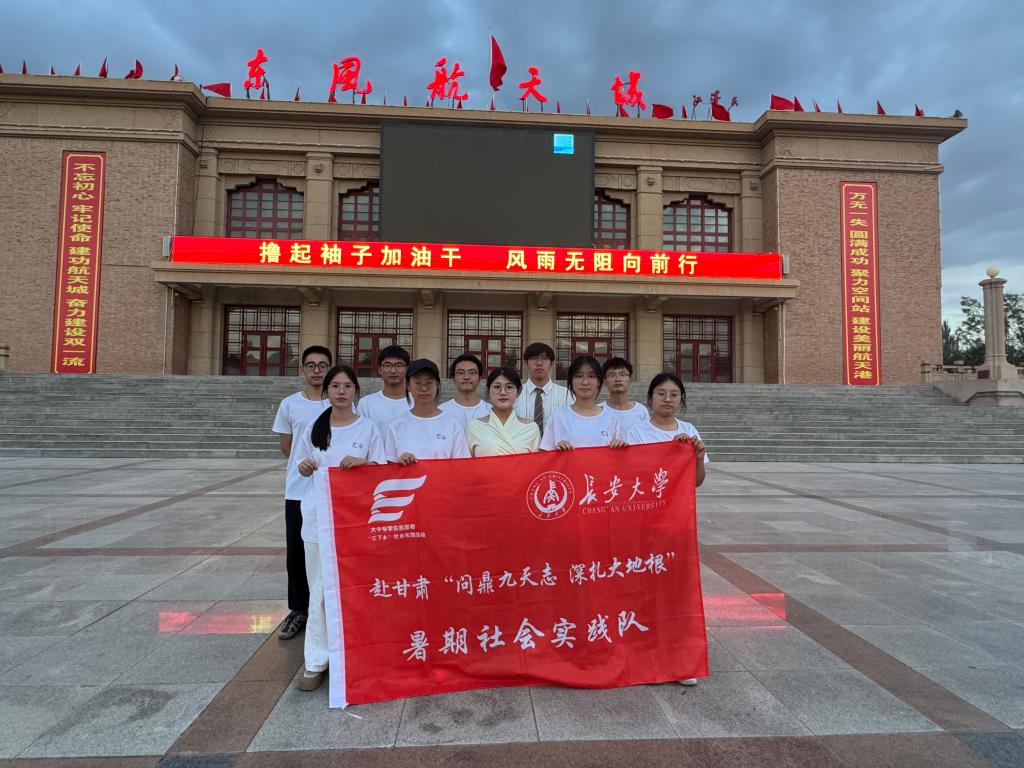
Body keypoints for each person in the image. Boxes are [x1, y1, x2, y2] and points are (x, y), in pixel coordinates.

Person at [293, 365, 385, 691]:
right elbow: (301, 466)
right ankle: (316, 660)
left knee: (359, 588)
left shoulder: (368, 428)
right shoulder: (314, 428)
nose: (341, 391)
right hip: (319, 519)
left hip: (357, 521)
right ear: (327, 391)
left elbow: (382, 470)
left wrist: (363, 464)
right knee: (319, 589)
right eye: (335, 386)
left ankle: (358, 655)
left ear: (356, 391)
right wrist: (306, 467)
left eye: (347, 386)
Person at [626, 372, 707, 686]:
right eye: (661, 393)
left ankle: (680, 659)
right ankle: (647, 657)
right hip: (645, 525)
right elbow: (631, 477)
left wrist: (697, 456)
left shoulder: (689, 432)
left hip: (678, 526)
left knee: (678, 591)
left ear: (681, 399)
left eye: (674, 394)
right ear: (650, 398)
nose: (668, 399)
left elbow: (696, 481)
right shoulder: (636, 432)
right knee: (646, 589)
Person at [271, 345, 332, 640]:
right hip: (298, 490)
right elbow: (287, 447)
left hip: (332, 491)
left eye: (322, 365)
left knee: (329, 550)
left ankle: (330, 607)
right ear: (302, 369)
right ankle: (299, 609)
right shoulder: (290, 404)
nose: (317, 370)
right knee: (296, 552)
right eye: (311, 365)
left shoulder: (340, 400)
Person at [385, 359, 470, 464]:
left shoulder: (452, 425)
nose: (424, 388)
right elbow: (389, 467)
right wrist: (399, 463)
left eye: (429, 383)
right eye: (418, 383)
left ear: (437, 385)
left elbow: (461, 465)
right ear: (408, 386)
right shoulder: (396, 425)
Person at [540, 355, 626, 451]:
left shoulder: (613, 418)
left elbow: (622, 456)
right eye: (579, 376)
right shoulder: (558, 417)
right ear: (571, 381)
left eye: (591, 376)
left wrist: (621, 447)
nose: (585, 382)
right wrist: (555, 451)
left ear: (599, 381)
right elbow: (544, 454)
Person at [467, 367, 541, 456]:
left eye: (509, 387)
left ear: (518, 392)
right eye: (497, 387)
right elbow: (465, 463)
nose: (503, 392)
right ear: (488, 390)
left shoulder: (530, 429)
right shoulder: (474, 427)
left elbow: (536, 463)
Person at [513, 342, 572, 437]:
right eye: (534, 358)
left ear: (552, 363)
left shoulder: (566, 395)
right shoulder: (514, 394)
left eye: (544, 358)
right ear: (526, 363)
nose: (539, 363)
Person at [356, 345, 412, 434]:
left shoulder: (417, 402)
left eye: (399, 365)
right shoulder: (366, 404)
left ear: (407, 369)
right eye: (388, 365)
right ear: (379, 369)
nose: (393, 371)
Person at [439, 353, 492, 427]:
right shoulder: (442, 410)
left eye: (472, 373)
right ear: (453, 379)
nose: (466, 377)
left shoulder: (490, 410)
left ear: (480, 379)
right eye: (461, 373)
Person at [600, 357, 649, 434]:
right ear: (605, 381)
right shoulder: (599, 411)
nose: (618, 379)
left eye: (622, 374)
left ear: (630, 380)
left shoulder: (641, 411)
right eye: (612, 375)